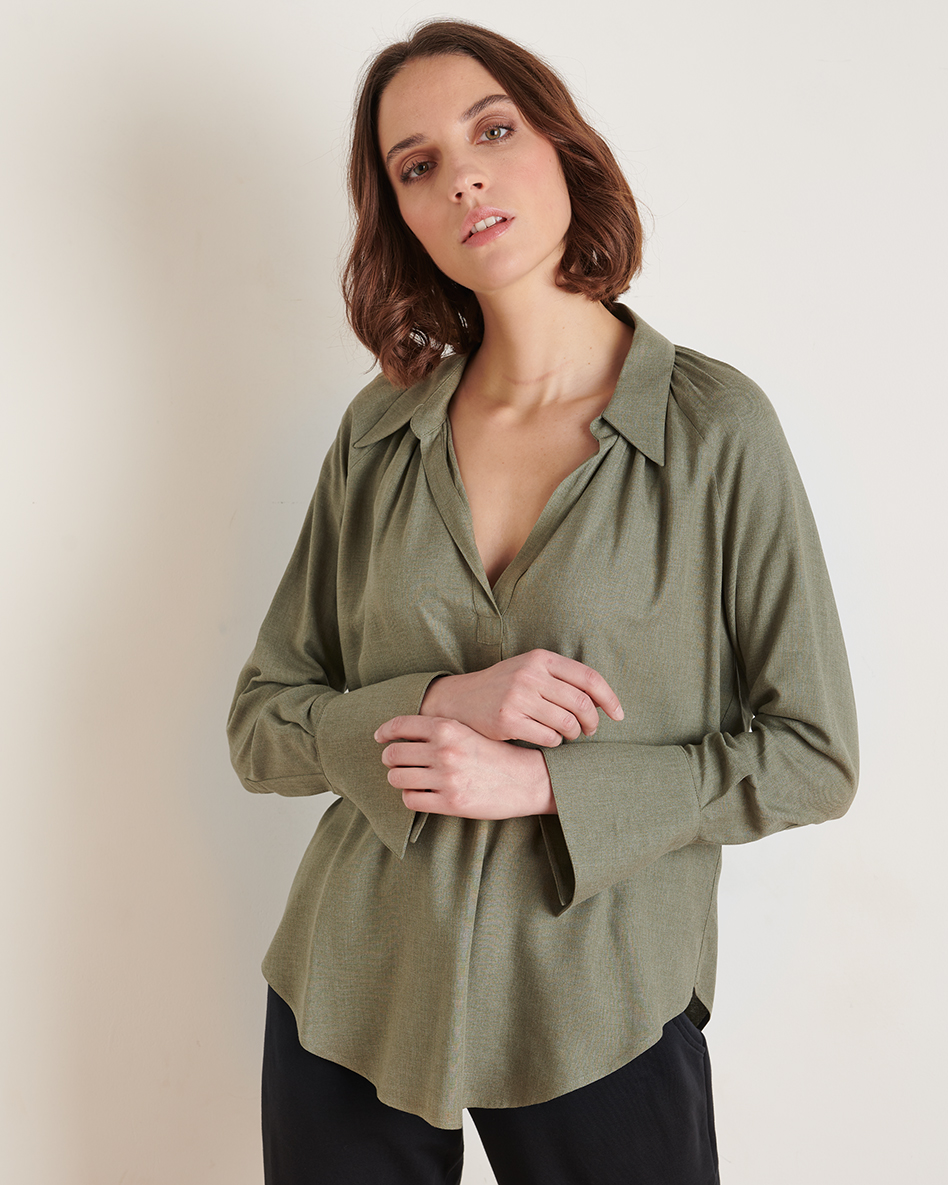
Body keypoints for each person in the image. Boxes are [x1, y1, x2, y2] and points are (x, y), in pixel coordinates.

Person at [227, 19, 859, 1185]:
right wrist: (439, 702)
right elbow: (263, 725)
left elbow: (812, 757)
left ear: (563, 146)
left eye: (493, 131)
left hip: (598, 999)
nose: (462, 177)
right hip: (354, 985)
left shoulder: (714, 431)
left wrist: (545, 786)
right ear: (403, 216)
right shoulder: (378, 433)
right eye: (418, 165)